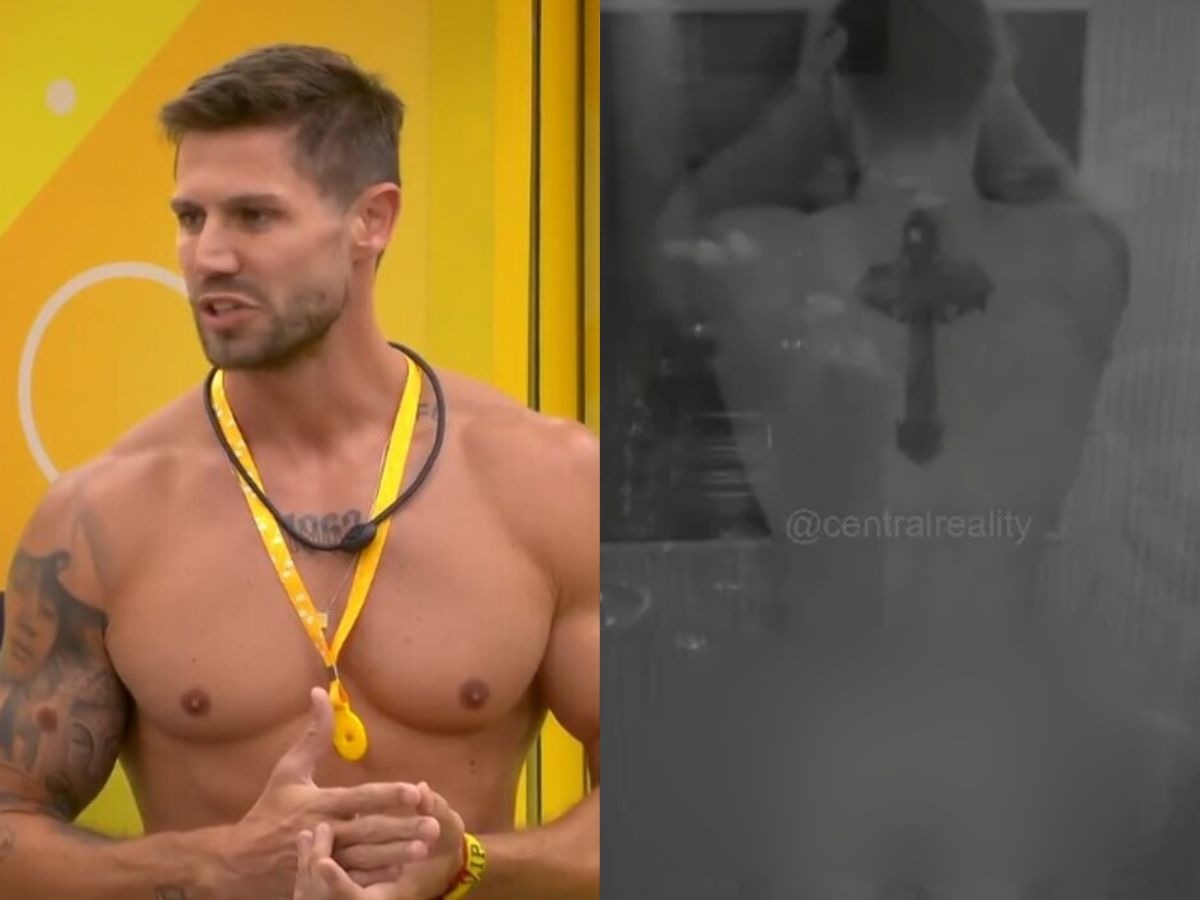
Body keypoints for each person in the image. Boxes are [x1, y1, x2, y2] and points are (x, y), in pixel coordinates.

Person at [0, 43, 598, 900]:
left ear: (372, 221)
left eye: (254, 216)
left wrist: (473, 864)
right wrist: (210, 866)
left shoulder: (552, 482)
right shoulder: (99, 518)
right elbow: (11, 824)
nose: (208, 256)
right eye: (191, 218)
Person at [683, 0, 1134, 892]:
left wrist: (801, 104)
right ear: (987, 87)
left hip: (833, 693)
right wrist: (992, 78)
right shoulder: (1073, 262)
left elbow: (672, 234)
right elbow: (1086, 215)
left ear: (840, 94)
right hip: (988, 690)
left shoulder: (766, 258)